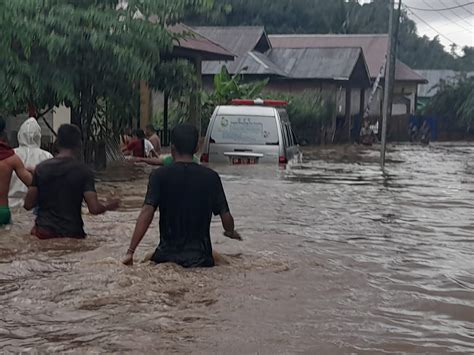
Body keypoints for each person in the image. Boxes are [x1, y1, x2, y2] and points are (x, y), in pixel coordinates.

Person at [123, 124, 241, 267]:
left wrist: (130, 251)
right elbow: (226, 217)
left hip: (166, 258)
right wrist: (230, 231)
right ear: (196, 148)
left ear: (172, 148)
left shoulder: (159, 176)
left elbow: (147, 212)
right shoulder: (211, 177)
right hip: (202, 259)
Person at [24, 124, 120, 239]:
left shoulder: (41, 169)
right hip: (73, 233)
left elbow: (28, 205)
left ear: (57, 143)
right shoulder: (84, 171)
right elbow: (94, 209)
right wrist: (109, 205)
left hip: (44, 232)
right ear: (78, 144)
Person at [9, 118, 53, 209]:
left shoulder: (10, 155)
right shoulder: (47, 156)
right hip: (37, 206)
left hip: (10, 204)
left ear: (20, 135)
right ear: (38, 136)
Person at [0, 117, 33, 226]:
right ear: (3, 132)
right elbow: (31, 183)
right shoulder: (12, 158)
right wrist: (35, 171)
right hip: (3, 211)